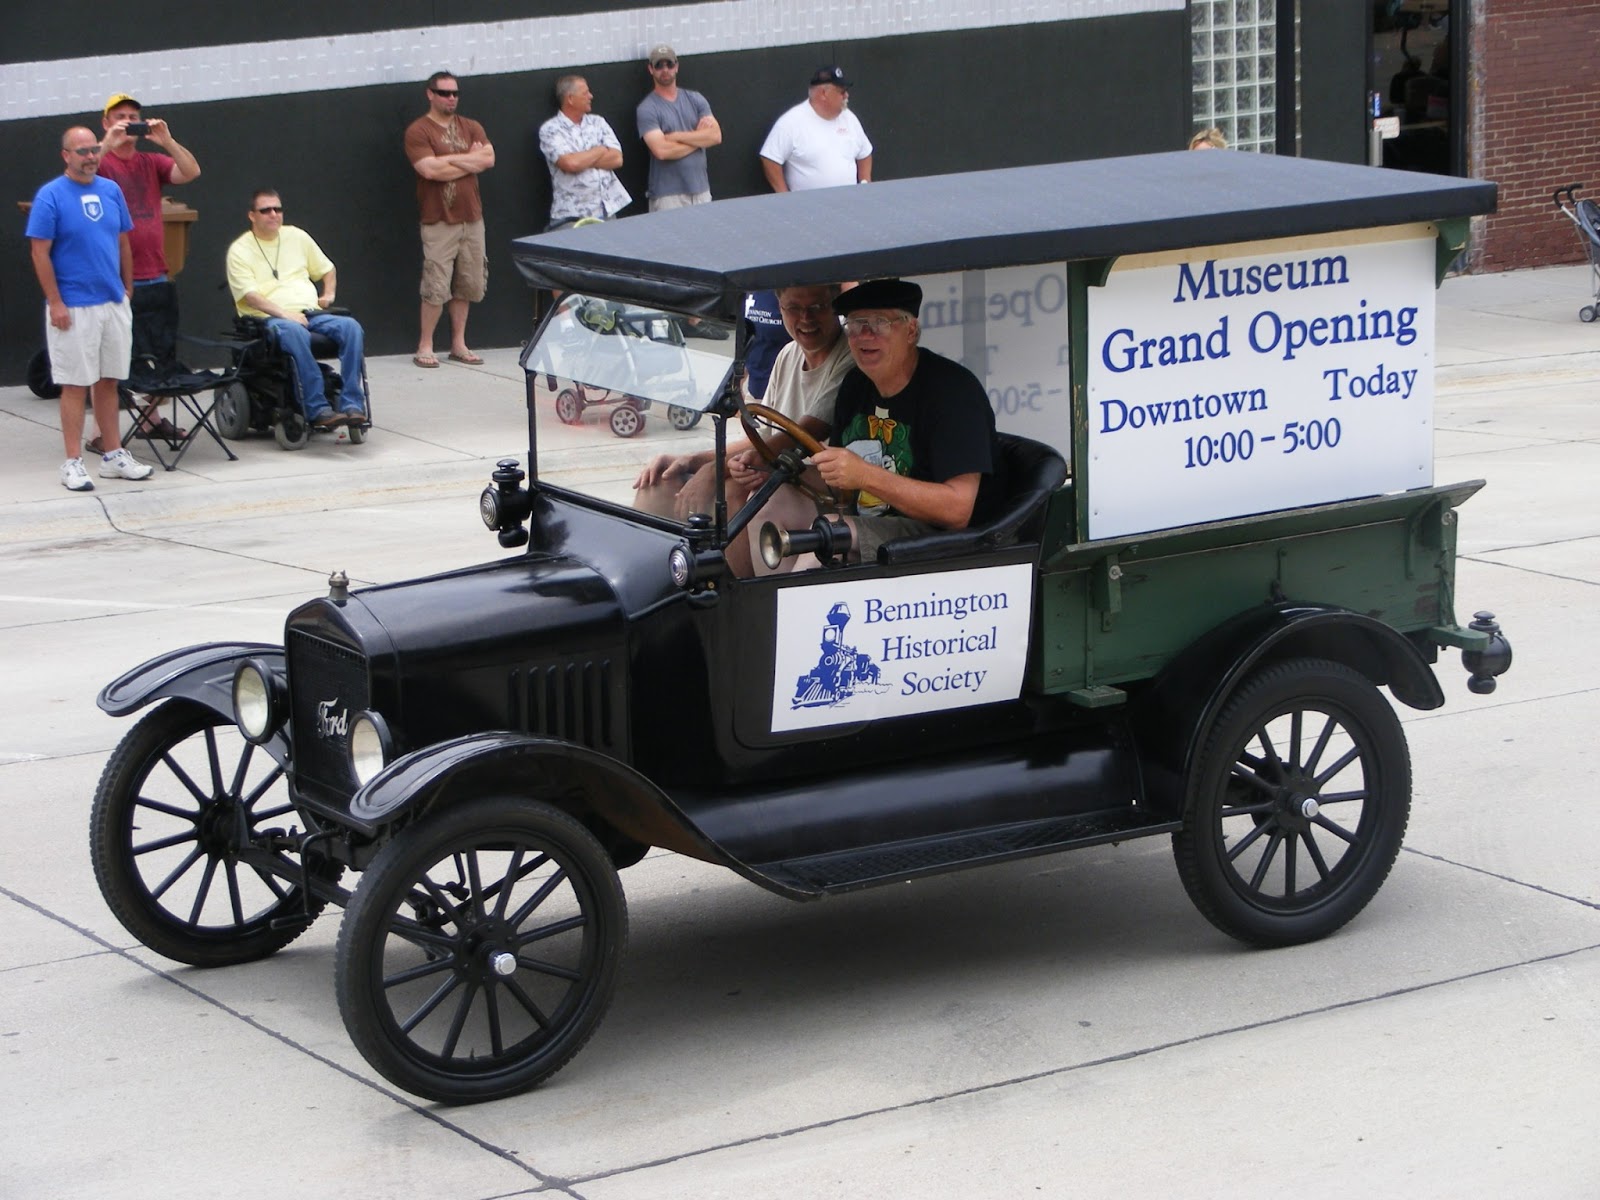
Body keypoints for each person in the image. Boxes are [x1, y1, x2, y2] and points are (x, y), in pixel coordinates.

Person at [752, 278, 1003, 574]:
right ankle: (766, 609)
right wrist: (774, 471)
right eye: (856, 324)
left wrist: (865, 476)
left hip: (942, 540)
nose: (864, 335)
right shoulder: (856, 385)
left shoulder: (953, 393)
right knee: (768, 500)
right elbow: (839, 483)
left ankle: (790, 614)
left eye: (879, 323)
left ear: (911, 331)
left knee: (829, 535)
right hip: (869, 520)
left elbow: (957, 511)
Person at [634, 284, 851, 543]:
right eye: (794, 308)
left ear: (836, 305)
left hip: (824, 489)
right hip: (777, 472)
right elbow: (762, 439)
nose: (806, 318)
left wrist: (714, 471)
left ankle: (728, 581)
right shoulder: (788, 354)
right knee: (661, 481)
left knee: (734, 493)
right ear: (780, 309)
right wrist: (692, 460)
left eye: (817, 307)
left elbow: (798, 436)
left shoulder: (850, 358)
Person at [26, 126, 153, 491]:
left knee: (109, 380)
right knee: (74, 384)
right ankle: (72, 463)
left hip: (112, 303)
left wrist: (126, 289)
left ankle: (113, 456)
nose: (90, 157)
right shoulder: (50, 196)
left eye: (94, 150)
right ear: (66, 156)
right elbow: (39, 252)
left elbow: (123, 241)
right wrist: (55, 301)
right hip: (73, 307)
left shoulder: (111, 190)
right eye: (81, 151)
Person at [95, 92, 203, 448]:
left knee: (158, 355)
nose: (127, 121)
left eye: (133, 116)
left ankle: (150, 420)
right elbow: (81, 173)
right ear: (106, 121)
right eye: (120, 116)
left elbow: (191, 171)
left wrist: (167, 141)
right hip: (113, 279)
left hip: (155, 271)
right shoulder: (99, 160)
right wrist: (106, 144)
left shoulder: (150, 161)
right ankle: (102, 435)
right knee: (111, 360)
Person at [225, 188, 366, 430]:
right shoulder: (240, 250)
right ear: (252, 215)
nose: (273, 214)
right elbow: (250, 296)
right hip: (268, 319)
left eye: (277, 209)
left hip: (310, 312)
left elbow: (327, 269)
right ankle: (317, 408)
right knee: (295, 332)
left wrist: (328, 293)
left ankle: (352, 404)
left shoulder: (297, 237)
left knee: (351, 328)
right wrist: (285, 314)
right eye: (265, 210)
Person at [404, 70, 495, 368]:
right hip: (438, 219)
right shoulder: (419, 131)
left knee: (467, 283)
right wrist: (468, 161)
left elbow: (489, 159)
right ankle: (425, 345)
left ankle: (459, 344)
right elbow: (428, 170)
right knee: (436, 283)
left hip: (472, 217)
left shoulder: (471, 126)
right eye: (444, 93)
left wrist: (448, 161)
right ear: (430, 94)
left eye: (455, 93)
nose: (451, 98)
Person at [759, 66, 873, 193]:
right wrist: (784, 196)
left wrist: (865, 186)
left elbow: (865, 153)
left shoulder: (850, 118)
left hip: (849, 204)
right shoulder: (791, 122)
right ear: (824, 94)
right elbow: (770, 158)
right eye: (842, 91)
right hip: (809, 209)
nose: (847, 95)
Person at [636, 44, 721, 211]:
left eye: (669, 64)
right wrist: (699, 138)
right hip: (668, 196)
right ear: (651, 69)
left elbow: (715, 136)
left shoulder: (696, 99)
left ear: (677, 67)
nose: (665, 70)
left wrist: (676, 136)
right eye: (659, 65)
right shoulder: (647, 108)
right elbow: (662, 151)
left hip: (701, 191)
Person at [540, 75, 631, 229]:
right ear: (570, 98)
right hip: (572, 217)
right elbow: (570, 163)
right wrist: (600, 149)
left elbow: (617, 159)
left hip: (607, 213)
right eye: (585, 93)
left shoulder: (598, 122)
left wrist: (583, 158)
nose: (591, 96)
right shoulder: (550, 129)